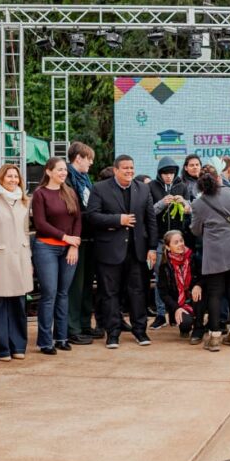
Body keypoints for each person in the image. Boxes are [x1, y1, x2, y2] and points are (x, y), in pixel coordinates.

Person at [85, 155, 159, 349]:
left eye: (131, 168)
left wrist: (152, 248)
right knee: (110, 293)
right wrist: (118, 220)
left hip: (137, 251)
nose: (129, 171)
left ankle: (140, 331)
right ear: (116, 170)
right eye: (125, 168)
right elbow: (91, 216)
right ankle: (113, 333)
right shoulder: (100, 188)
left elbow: (151, 220)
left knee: (138, 292)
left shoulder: (143, 188)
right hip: (109, 251)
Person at [189, 169, 230, 350]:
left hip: (215, 252)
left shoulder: (198, 203)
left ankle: (215, 337)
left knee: (215, 293)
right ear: (218, 179)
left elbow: (195, 230)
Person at [0, 164, 35, 361]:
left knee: (19, 305)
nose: (13, 180)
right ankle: (0, 350)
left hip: (20, 258)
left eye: (16, 177)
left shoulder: (23, 203)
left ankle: (18, 346)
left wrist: (29, 260)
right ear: (0, 179)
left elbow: (26, 234)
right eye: (9, 176)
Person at [149, 156, 194, 330]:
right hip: (160, 240)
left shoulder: (182, 186)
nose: (168, 176)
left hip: (178, 239)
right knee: (161, 278)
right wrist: (162, 203)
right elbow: (148, 212)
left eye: (171, 173)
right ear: (159, 173)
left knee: (181, 277)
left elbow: (190, 210)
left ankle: (179, 311)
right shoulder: (151, 187)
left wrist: (183, 202)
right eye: (165, 173)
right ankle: (161, 314)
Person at [65, 142, 99, 346]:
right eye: (89, 159)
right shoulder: (67, 180)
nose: (91, 163)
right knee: (75, 287)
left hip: (89, 237)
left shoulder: (85, 179)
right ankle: (73, 328)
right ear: (78, 158)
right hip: (75, 240)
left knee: (87, 284)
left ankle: (85, 324)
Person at [157, 230, 202, 343]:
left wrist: (198, 285)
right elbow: (163, 293)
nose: (180, 244)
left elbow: (203, 276)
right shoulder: (164, 266)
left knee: (201, 294)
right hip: (179, 303)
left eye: (181, 241)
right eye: (176, 242)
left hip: (195, 297)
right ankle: (186, 326)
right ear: (168, 247)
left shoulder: (192, 257)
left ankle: (199, 327)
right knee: (185, 323)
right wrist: (176, 308)